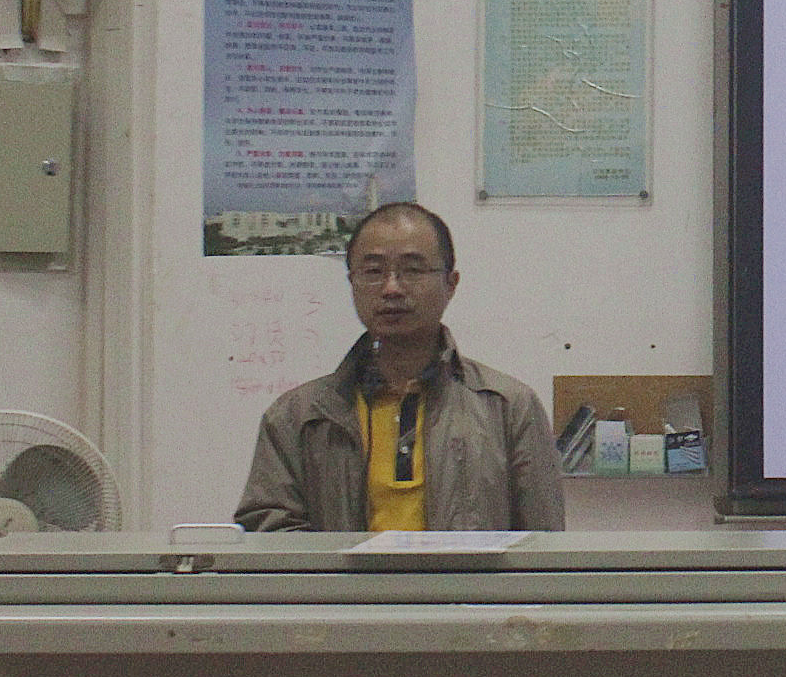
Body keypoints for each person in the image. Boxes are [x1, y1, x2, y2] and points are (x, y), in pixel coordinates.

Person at [235, 201, 565, 533]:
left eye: (413, 270)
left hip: (465, 573)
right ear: (352, 283)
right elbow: (270, 536)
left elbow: (543, 546)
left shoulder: (507, 409)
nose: (392, 288)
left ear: (451, 284)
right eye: (373, 272)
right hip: (344, 572)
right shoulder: (298, 417)